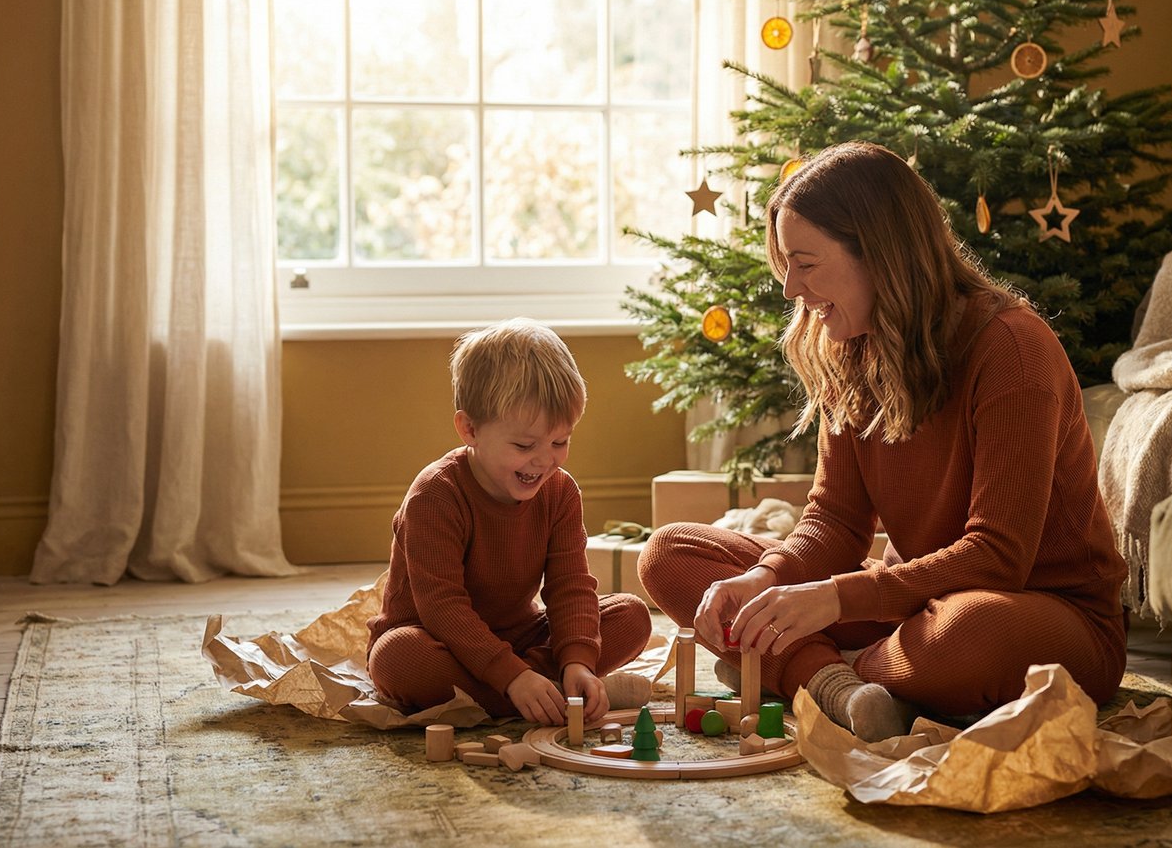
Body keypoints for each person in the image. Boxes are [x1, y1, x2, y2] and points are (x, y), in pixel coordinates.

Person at [638, 142, 1128, 741]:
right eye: (785, 265)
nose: (790, 288)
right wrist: (767, 579)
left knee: (963, 635)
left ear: (880, 256)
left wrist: (836, 602)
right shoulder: (852, 344)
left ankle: (805, 670)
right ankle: (843, 687)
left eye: (806, 263)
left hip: (1038, 614)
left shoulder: (1012, 349)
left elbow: (999, 557)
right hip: (912, 605)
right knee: (672, 554)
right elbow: (837, 519)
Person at [367, 319, 651, 726]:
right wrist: (513, 676)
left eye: (560, 441)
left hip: (519, 637)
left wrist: (578, 661)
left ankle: (543, 686)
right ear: (470, 430)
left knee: (631, 615)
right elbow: (442, 609)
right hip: (436, 636)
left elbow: (570, 585)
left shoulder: (560, 493)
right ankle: (533, 693)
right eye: (524, 445)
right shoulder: (435, 494)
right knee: (397, 659)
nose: (544, 460)